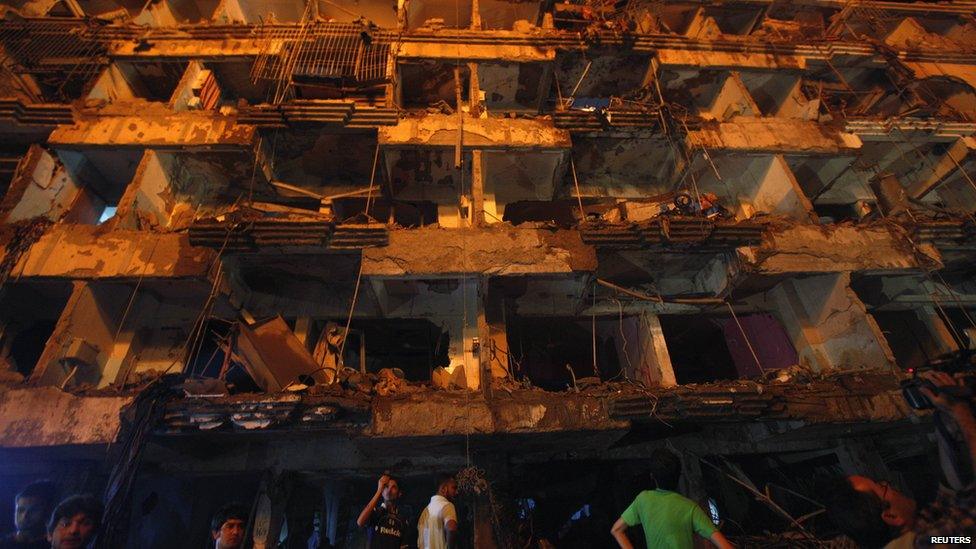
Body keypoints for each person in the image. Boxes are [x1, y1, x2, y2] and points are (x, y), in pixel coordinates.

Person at [610, 449, 733, 549]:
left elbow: (616, 530)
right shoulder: (690, 508)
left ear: (652, 476)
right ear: (678, 477)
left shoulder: (643, 499)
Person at [0, 481, 58, 549]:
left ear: (47, 512)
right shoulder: (3, 545)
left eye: (33, 510)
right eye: (20, 510)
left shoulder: (56, 545)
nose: (25, 516)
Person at [357, 473, 407, 549]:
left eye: (393, 487)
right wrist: (379, 490)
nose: (389, 490)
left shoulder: (402, 520)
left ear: (399, 493)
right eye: (386, 486)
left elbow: (403, 546)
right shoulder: (376, 512)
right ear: (382, 491)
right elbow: (360, 522)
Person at [417, 474, 458, 549]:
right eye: (453, 488)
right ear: (443, 489)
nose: (456, 492)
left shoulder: (424, 512)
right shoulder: (447, 505)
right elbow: (451, 528)